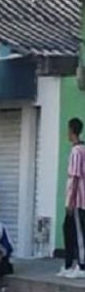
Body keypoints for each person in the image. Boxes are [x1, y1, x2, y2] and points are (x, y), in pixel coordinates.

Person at [61, 118, 85, 278]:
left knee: (78, 232)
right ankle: (69, 264)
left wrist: (71, 201)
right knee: (68, 229)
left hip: (78, 199)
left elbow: (75, 177)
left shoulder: (77, 151)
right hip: (78, 198)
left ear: (72, 131)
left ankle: (81, 266)